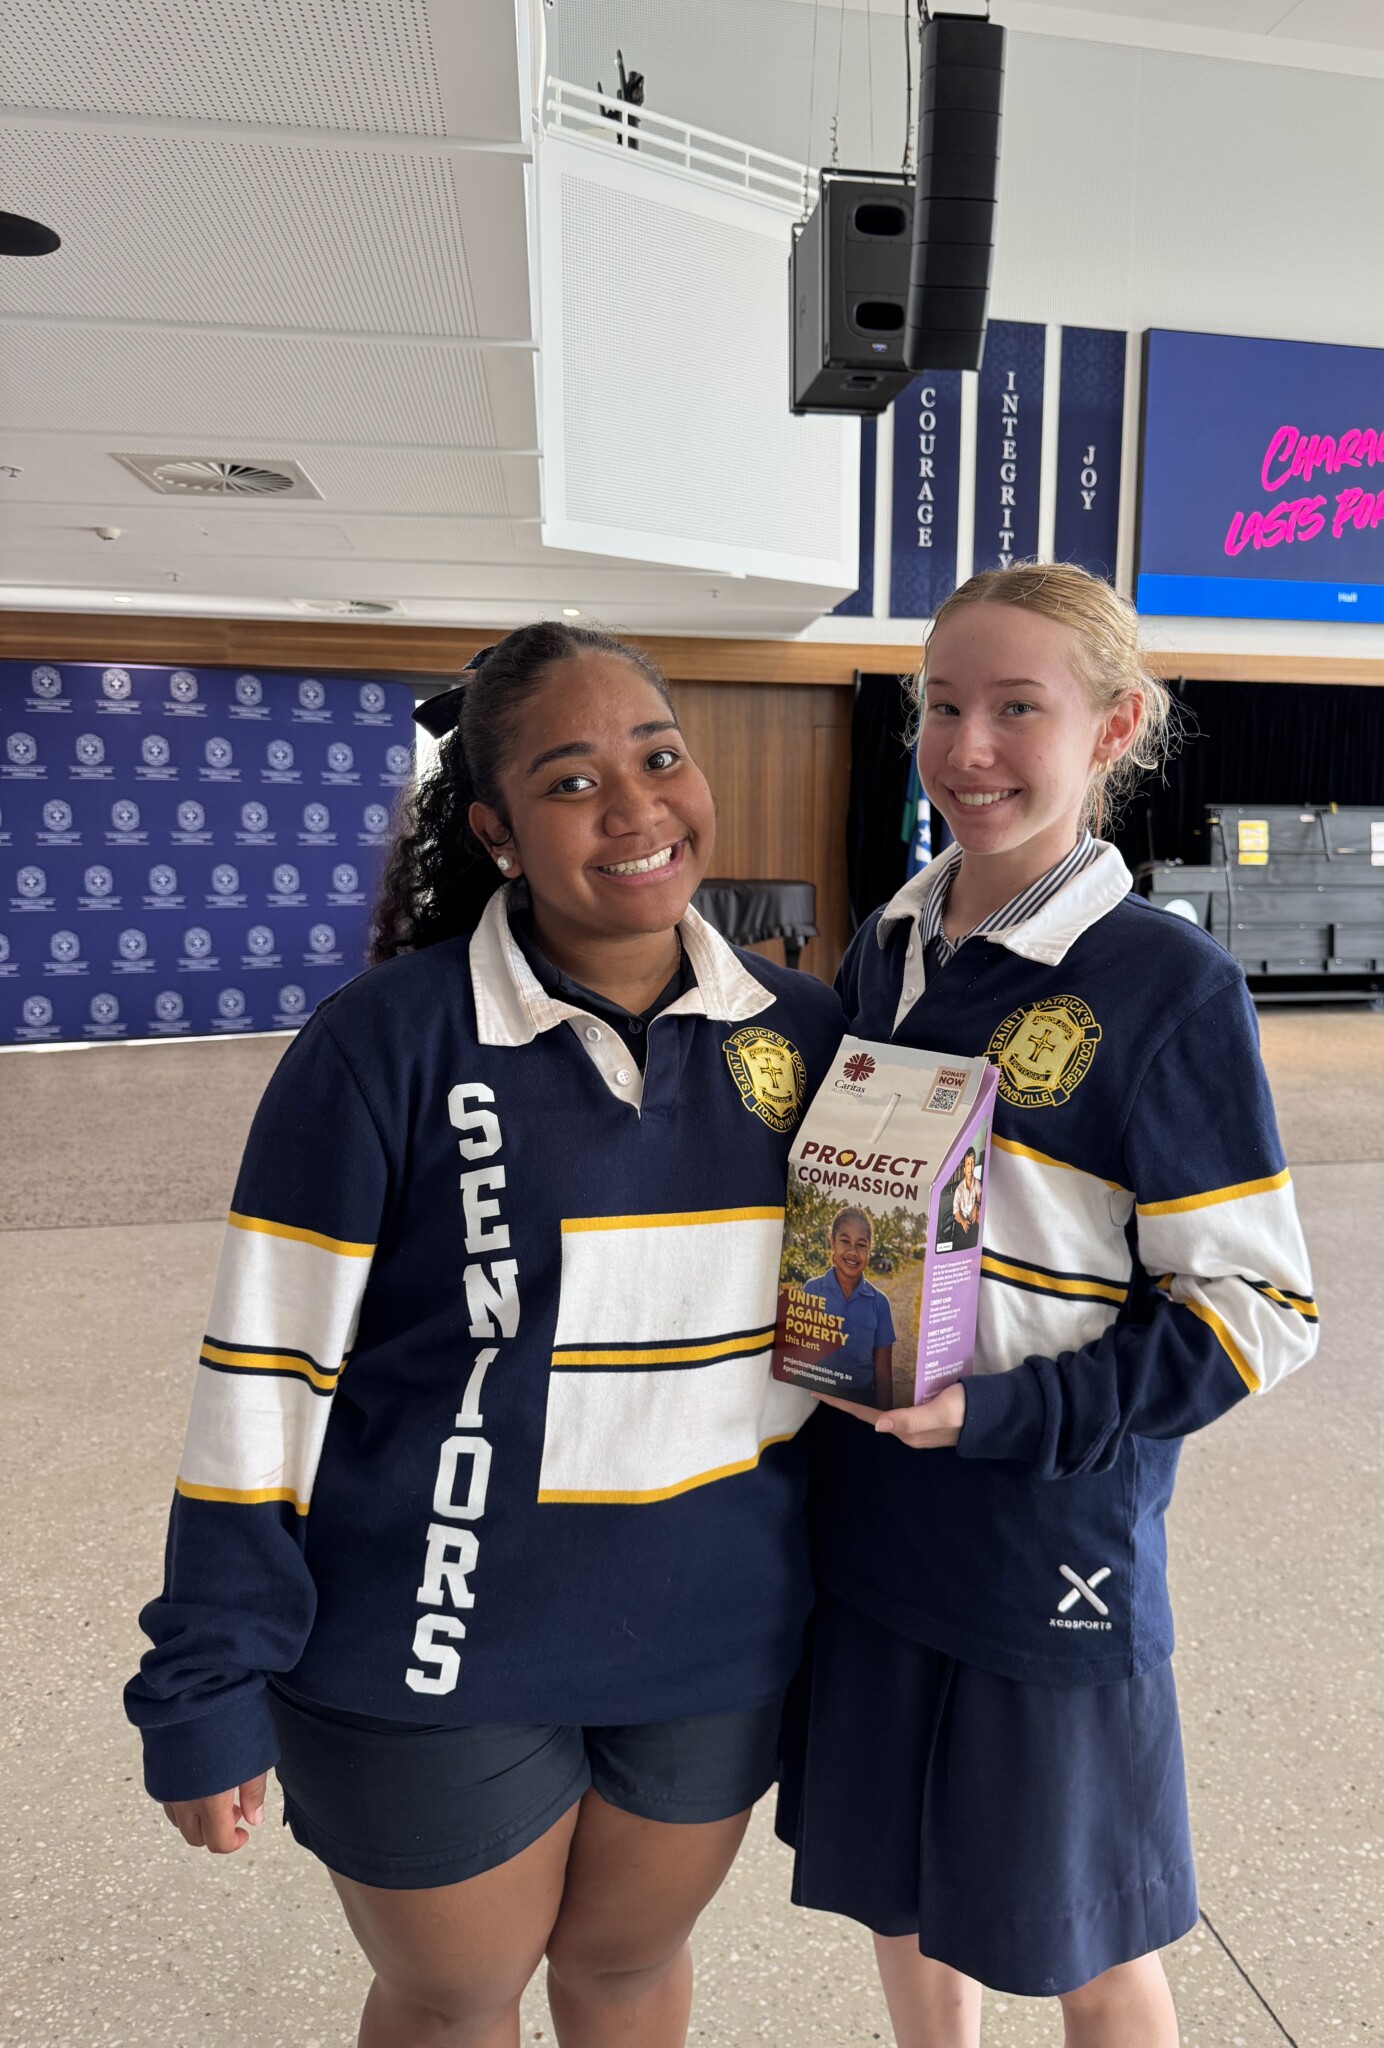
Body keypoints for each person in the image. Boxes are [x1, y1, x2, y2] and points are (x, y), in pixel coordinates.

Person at [124, 622, 844, 2048]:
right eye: (572, 781)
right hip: (429, 1641)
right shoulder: (383, 1042)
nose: (636, 808)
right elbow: (266, 1373)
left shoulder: (813, 1035)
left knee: (629, 1969)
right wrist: (206, 1670)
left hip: (711, 1637)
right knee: (454, 1997)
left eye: (659, 756)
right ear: (495, 832)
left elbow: (849, 1341)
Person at [777, 564, 1319, 2047]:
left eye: (1019, 708)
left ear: (1114, 727)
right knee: (898, 1889)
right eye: (942, 705)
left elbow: (1260, 1309)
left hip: (1044, 1538)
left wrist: (1006, 1414)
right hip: (869, 1517)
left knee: (1088, 1930)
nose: (968, 749)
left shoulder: (1167, 987)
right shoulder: (888, 949)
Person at [796, 1207, 896, 1409]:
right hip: (814, 1399)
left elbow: (883, 1374)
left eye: (861, 1245)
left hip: (862, 1401)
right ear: (832, 1242)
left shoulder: (879, 1303)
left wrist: (884, 1419)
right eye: (845, 1241)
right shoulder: (811, 1290)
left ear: (869, 1249)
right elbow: (799, 1358)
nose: (853, 1252)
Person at [946, 1147, 981, 1252]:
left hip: (972, 1219)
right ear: (964, 1169)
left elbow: (980, 1195)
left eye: (972, 1163)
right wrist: (962, 1221)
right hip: (961, 1221)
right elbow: (956, 1211)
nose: (970, 1167)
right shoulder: (959, 1189)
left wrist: (976, 1206)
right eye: (968, 1164)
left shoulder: (977, 1183)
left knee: (973, 1241)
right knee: (959, 1244)